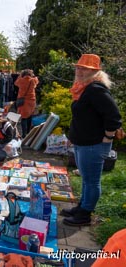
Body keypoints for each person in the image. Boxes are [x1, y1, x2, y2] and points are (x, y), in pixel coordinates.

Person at [61, 54, 122, 226]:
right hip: (83, 142)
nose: (79, 70)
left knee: (91, 180)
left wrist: (107, 137)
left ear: (94, 71)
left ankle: (85, 215)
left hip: (94, 144)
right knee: (86, 179)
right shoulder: (83, 88)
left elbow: (114, 116)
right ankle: (82, 207)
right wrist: (72, 137)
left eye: (83, 68)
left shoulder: (95, 89)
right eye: (78, 67)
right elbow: (82, 117)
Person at [14, 69, 38, 138]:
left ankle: (24, 134)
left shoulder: (21, 80)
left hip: (23, 101)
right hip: (31, 101)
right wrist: (33, 75)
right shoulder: (33, 80)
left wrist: (20, 75)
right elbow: (37, 81)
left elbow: (16, 83)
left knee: (23, 117)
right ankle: (28, 132)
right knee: (30, 116)